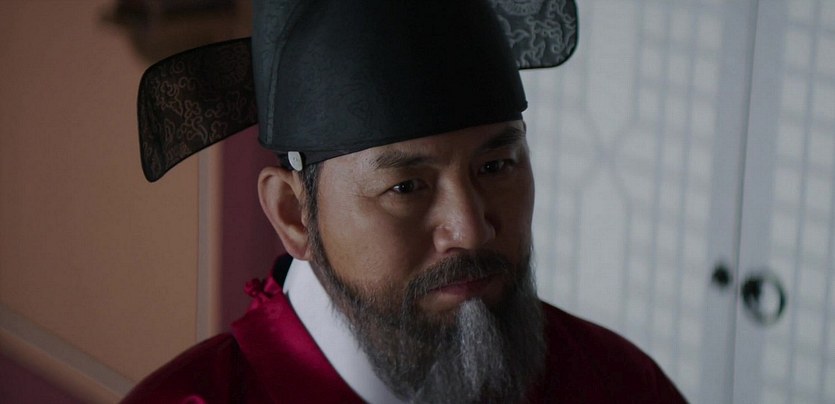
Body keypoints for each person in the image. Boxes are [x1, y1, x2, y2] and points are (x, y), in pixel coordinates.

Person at [125, 0, 687, 402]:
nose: (471, 229)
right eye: (406, 187)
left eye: (496, 166)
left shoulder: (614, 381)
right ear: (295, 216)